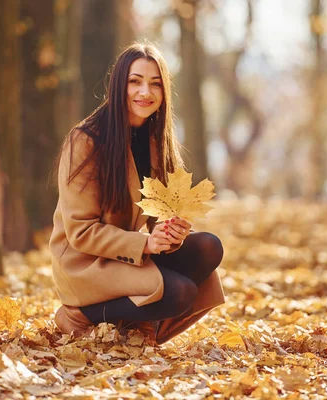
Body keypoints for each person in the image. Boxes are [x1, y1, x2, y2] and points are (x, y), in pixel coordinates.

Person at [50, 42, 225, 344]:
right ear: (119, 85)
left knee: (209, 247)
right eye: (135, 81)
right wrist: (145, 243)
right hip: (87, 263)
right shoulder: (86, 141)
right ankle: (78, 315)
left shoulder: (158, 141)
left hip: (128, 254)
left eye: (155, 84)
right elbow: (80, 231)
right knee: (179, 292)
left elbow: (159, 218)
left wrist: (172, 232)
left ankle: (135, 326)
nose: (145, 92)